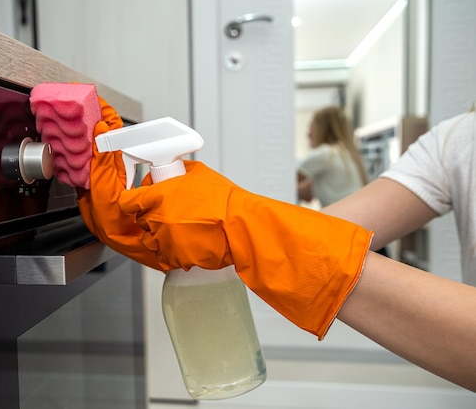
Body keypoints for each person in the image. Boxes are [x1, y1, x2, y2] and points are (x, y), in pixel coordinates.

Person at [77, 98, 476, 392]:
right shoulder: (455, 140)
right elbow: (322, 227)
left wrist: (243, 221)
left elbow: (287, 228)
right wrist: (224, 231)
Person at [297, 106, 368, 207]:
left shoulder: (324, 154)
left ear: (322, 128)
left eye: (312, 126)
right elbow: (307, 194)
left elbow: (286, 181)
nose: (308, 133)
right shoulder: (345, 153)